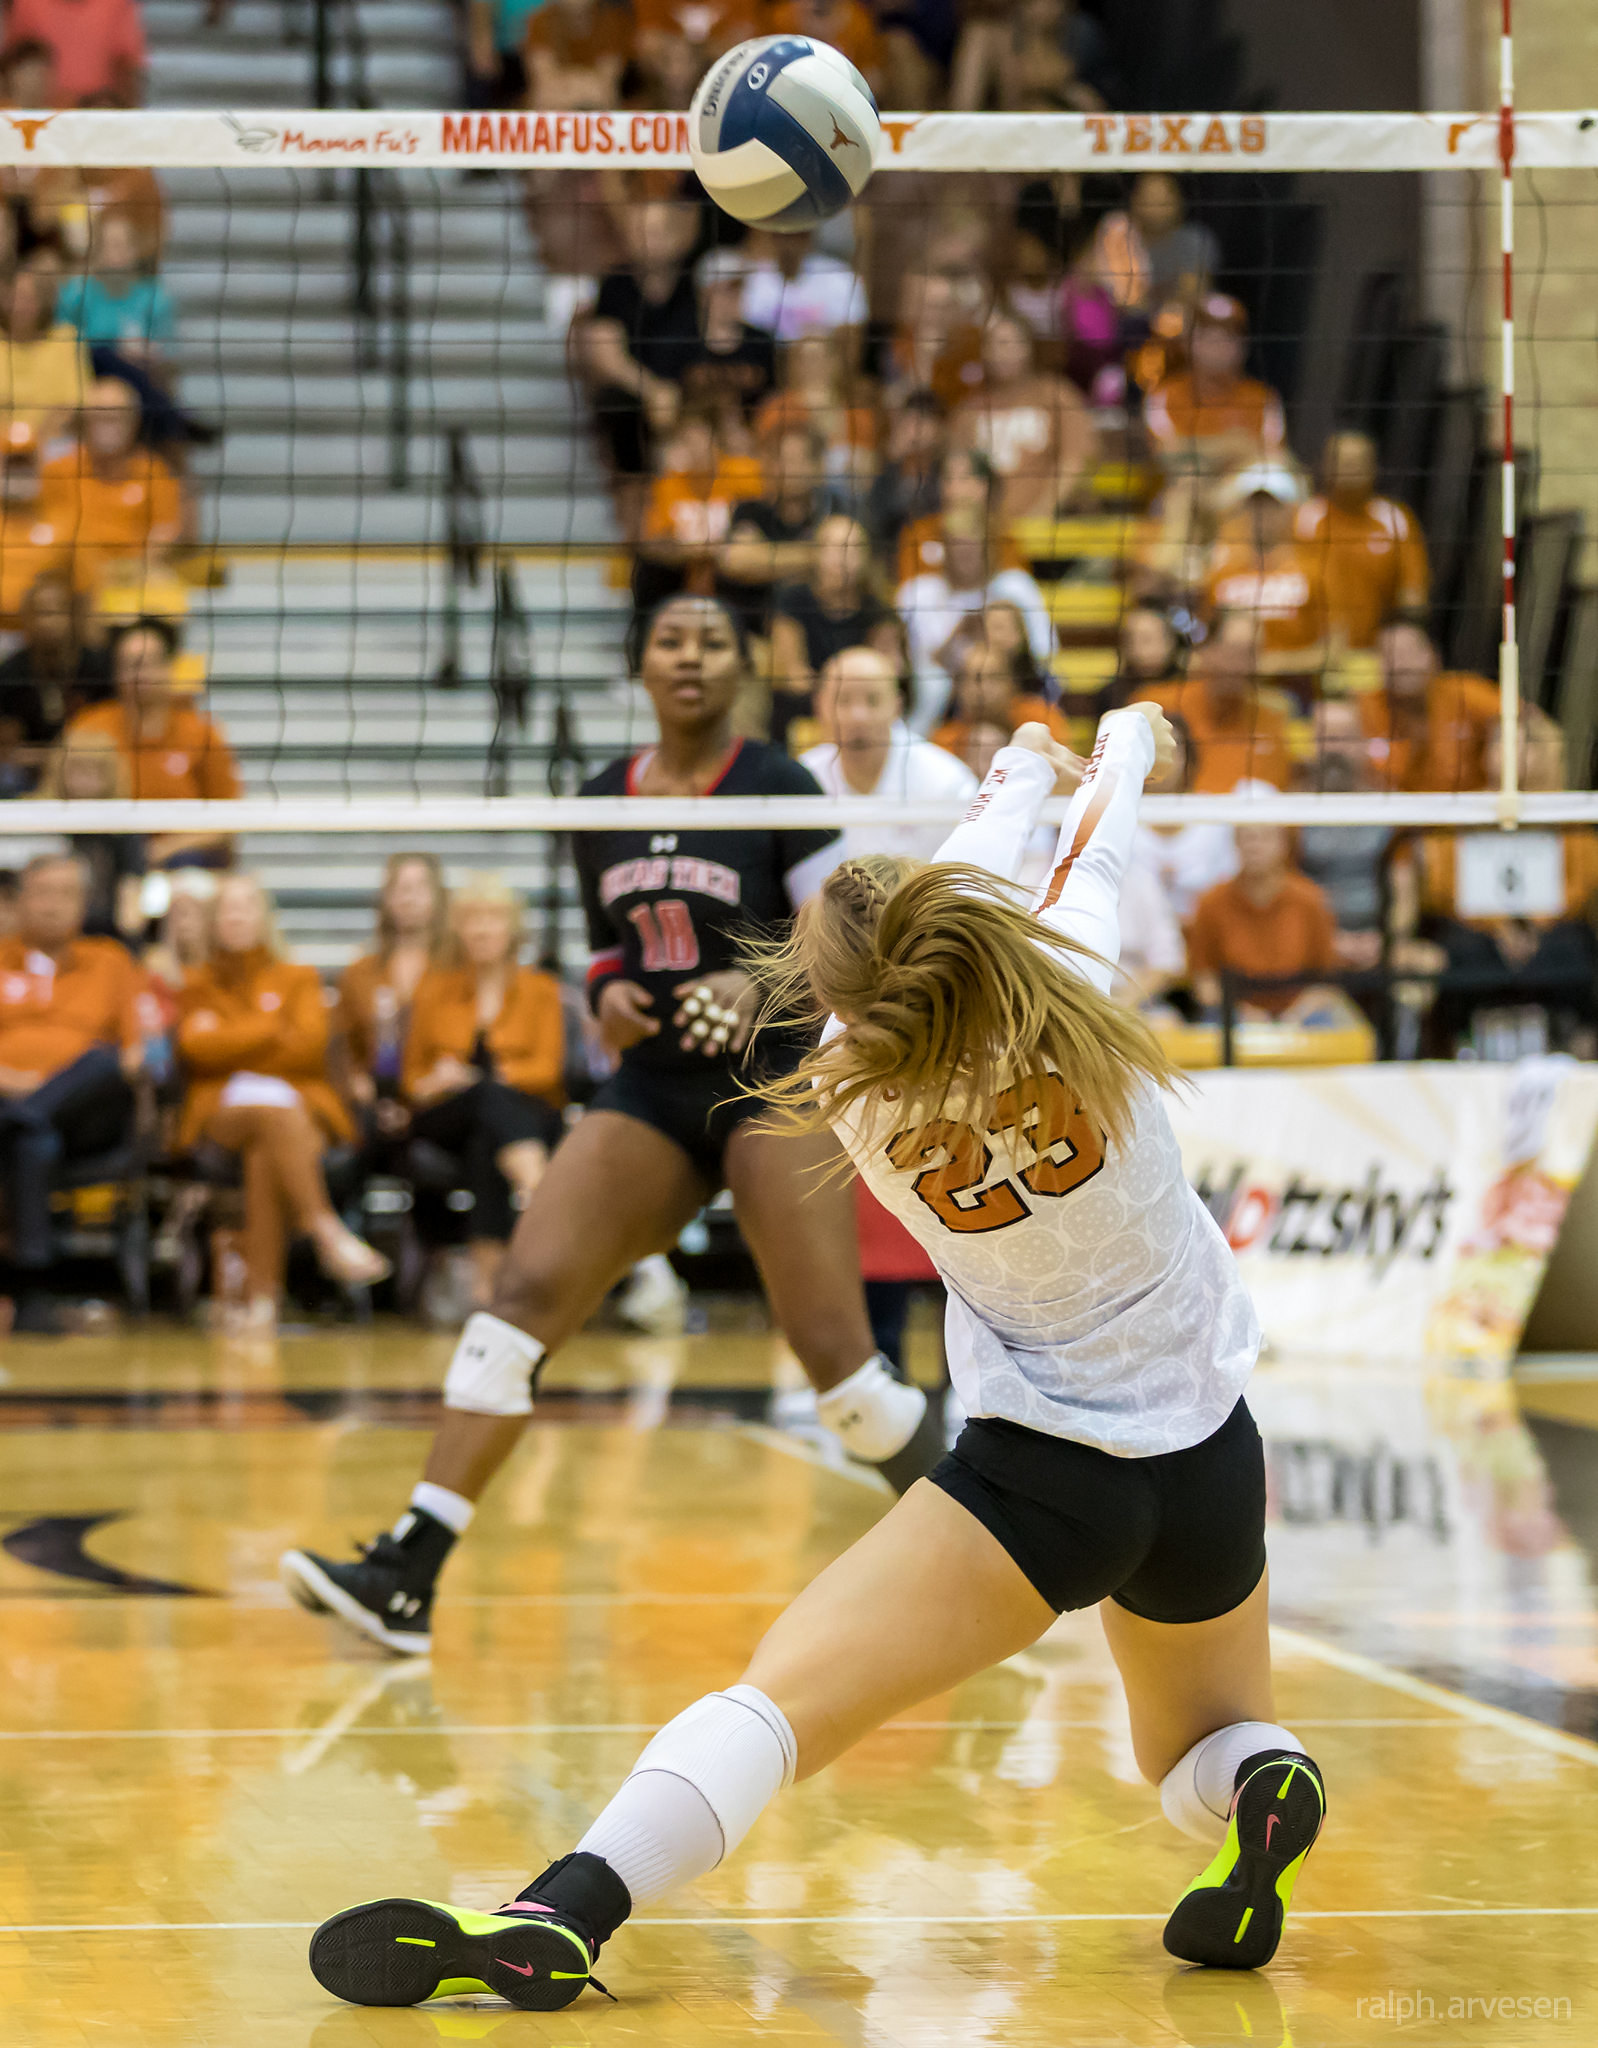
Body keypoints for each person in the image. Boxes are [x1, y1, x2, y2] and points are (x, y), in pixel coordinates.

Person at [308, 703, 1330, 2012]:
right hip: (1205, 1456)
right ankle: (1261, 1786)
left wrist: (1009, 769)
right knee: (1200, 1744)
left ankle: (561, 1907)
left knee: (773, 1710)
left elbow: (957, 888)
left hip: (1038, 1486)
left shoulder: (848, 1085)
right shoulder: (1070, 990)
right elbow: (1093, 845)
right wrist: (1116, 741)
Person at [280, 596, 947, 1658]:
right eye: (670, 640)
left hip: (772, 1080)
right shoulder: (600, 797)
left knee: (845, 1376)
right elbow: (603, 950)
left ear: (742, 665)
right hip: (651, 1088)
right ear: (641, 663)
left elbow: (840, 958)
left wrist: (752, 982)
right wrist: (611, 998)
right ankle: (407, 1568)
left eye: (713, 639)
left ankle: (1003, 1538)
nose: (689, 655)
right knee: (518, 1306)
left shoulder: (780, 783)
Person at [176, 872, 389, 1332]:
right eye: (226, 908)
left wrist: (231, 1037)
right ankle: (325, 1231)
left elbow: (309, 1047)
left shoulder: (298, 976)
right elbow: (196, 1050)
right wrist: (272, 1027)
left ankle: (261, 1304)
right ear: (213, 920)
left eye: (245, 906)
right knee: (274, 1116)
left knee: (267, 1143)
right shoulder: (195, 983)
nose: (235, 916)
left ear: (264, 915)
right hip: (221, 1112)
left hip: (294, 1106)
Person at [403, 876, 566, 1309]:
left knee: (488, 1132)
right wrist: (440, 1080)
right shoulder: (433, 989)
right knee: (484, 1099)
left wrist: (496, 1079)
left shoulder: (541, 989)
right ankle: (537, 1187)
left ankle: (486, 1289)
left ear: (512, 928)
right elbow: (411, 1081)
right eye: (472, 919)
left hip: (516, 1114)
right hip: (446, 1114)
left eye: (492, 918)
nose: (481, 929)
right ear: (457, 928)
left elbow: (548, 1071)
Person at [0, 851, 142, 1333]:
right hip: (6, 1097)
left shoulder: (112, 961)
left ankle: (27, 1115)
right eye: (42, 893)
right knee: (34, 1142)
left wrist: (47, 1088)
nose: (53, 905)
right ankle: (33, 1289)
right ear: (19, 902)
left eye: (65, 894)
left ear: (84, 903)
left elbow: (134, 1054)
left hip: (87, 1112)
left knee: (101, 1062)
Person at [61, 616, 239, 866]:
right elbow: (60, 798)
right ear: (116, 671)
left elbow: (228, 821)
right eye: (129, 664)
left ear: (168, 667)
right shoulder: (90, 726)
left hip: (180, 860)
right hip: (103, 853)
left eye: (147, 664)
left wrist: (163, 849)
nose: (139, 674)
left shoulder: (201, 733)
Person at [896, 450, 1052, 728]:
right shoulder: (921, 592)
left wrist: (1005, 649)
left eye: (974, 547)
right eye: (957, 547)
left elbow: (1043, 655)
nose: (966, 556)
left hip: (1008, 697)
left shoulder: (1014, 587)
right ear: (944, 548)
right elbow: (910, 663)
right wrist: (958, 636)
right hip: (939, 704)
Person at [799, 644, 977, 864]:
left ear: (897, 706)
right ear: (819, 706)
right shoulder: (801, 779)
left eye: (873, 700)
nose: (858, 716)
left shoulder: (948, 782)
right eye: (842, 700)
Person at [580, 200, 700, 497]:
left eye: (658, 231)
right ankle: (638, 503)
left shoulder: (694, 284)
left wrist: (680, 401)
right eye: (642, 232)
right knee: (617, 404)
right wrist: (654, 392)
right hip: (636, 399)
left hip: (690, 399)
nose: (650, 240)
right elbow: (603, 354)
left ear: (676, 237)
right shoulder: (615, 285)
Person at [40, 375, 184, 596]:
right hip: (74, 578)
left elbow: (165, 530)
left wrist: (133, 567)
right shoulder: (59, 471)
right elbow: (51, 528)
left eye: (116, 417)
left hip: (134, 576)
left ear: (135, 421)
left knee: (164, 589)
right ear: (85, 421)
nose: (108, 426)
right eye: (100, 417)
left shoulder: (153, 471)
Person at [950, 308, 1097, 523]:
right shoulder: (969, 410)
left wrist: (1042, 512)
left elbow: (1076, 461)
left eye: (1013, 343)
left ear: (1029, 347)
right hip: (986, 535)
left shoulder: (1056, 396)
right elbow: (957, 471)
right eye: (997, 344)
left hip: (1049, 532)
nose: (1004, 352)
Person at [769, 514, 900, 746]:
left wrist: (850, 699)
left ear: (866, 557)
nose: (842, 558)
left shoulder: (879, 612)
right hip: (804, 712)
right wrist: (839, 697)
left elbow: (888, 674)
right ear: (817, 553)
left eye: (852, 549)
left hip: (863, 712)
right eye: (834, 548)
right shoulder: (793, 600)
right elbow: (790, 675)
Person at [338, 853, 450, 1124]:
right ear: (385, 898)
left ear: (438, 897)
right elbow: (343, 1044)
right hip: (371, 1105)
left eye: (420, 888)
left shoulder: (457, 970)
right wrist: (354, 1079)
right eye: (400, 888)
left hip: (439, 1104)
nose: (409, 898)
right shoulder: (359, 973)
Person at [1292, 432, 1429, 653]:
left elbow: (1414, 597)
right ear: (1324, 466)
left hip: (1375, 654)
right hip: (1310, 652)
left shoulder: (1394, 518)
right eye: (1342, 460)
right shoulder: (1302, 518)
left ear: (1374, 466)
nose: (1349, 467)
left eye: (1357, 460)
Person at [1187, 824, 1341, 1019]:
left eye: (1265, 838)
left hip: (1300, 1012)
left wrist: (1295, 1016)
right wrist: (1244, 1014)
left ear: (1285, 844)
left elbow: (1327, 980)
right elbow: (1204, 980)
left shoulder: (1311, 900)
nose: (1255, 846)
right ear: (1236, 844)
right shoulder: (1211, 902)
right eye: (1247, 838)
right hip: (1234, 1012)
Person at [1131, 609, 1292, 794]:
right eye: (1232, 651)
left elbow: (1279, 798)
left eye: (1249, 653)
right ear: (1207, 649)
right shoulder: (1155, 705)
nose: (1239, 665)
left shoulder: (1270, 717)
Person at [1201, 464, 1327, 687]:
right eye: (1254, 506)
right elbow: (1206, 643)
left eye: (1271, 507)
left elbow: (1334, 648)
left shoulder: (1314, 571)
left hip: (1297, 690)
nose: (1261, 515)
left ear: (1290, 511)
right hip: (1233, 689)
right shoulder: (1222, 573)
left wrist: (1276, 664)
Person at [632, 410, 764, 619]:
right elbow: (653, 543)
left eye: (700, 438)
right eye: (687, 440)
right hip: (683, 576)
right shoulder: (668, 484)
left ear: (715, 440)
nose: (695, 448)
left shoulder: (745, 474)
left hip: (735, 576)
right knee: (647, 572)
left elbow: (763, 525)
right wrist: (694, 551)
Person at [1145, 295, 1286, 480]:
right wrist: (1234, 445)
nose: (1217, 346)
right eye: (1207, 336)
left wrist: (1200, 449)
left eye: (1227, 337)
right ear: (1187, 344)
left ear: (1242, 347)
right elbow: (1166, 455)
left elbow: (1274, 458)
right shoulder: (1165, 395)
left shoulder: (1262, 398)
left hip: (1240, 490)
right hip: (1187, 487)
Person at [1296, 698, 1390, 972]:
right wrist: (1327, 941)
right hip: (1311, 943)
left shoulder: (1390, 806)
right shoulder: (1289, 810)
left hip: (1379, 939)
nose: (1334, 749)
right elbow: (1285, 888)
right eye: (1325, 738)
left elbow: (1405, 886)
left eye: (1344, 738)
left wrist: (1387, 938)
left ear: (1363, 743)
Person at [1360, 614, 1499, 793]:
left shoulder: (1464, 693)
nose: (1401, 664)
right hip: (1398, 816)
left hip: (1468, 812)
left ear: (1433, 656)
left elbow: (1529, 721)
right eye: (1389, 655)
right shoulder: (1367, 707)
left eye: (1409, 653)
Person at [676, 249, 777, 453]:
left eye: (741, 287)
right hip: (694, 444)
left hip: (754, 443)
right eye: (729, 288)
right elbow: (668, 400)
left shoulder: (761, 343)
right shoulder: (680, 342)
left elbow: (774, 398)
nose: (737, 295)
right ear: (704, 293)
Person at [0, 247, 94, 442]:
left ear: (44, 302)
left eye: (28, 299)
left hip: (53, 445)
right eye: (14, 297)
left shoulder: (66, 338)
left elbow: (78, 404)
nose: (20, 306)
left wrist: (41, 439)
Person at [931, 632, 1069, 760]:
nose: (982, 688)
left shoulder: (1041, 720)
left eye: (993, 677)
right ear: (959, 688)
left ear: (1011, 683)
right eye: (973, 679)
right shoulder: (945, 741)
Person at [739, 228, 868, 348]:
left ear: (810, 237)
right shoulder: (752, 280)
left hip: (821, 363)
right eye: (782, 236)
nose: (789, 245)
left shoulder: (840, 276)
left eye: (798, 236)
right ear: (771, 238)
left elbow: (852, 339)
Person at [862, 389, 945, 571]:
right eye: (909, 421)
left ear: (939, 429)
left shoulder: (947, 477)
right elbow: (876, 525)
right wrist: (890, 461)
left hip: (938, 567)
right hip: (892, 568)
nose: (915, 429)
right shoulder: (887, 478)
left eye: (923, 421)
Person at [1, 0, 145, 105]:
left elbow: (127, 67)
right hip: (40, 115)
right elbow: (14, 61)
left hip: (95, 113)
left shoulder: (115, 5)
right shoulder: (26, 4)